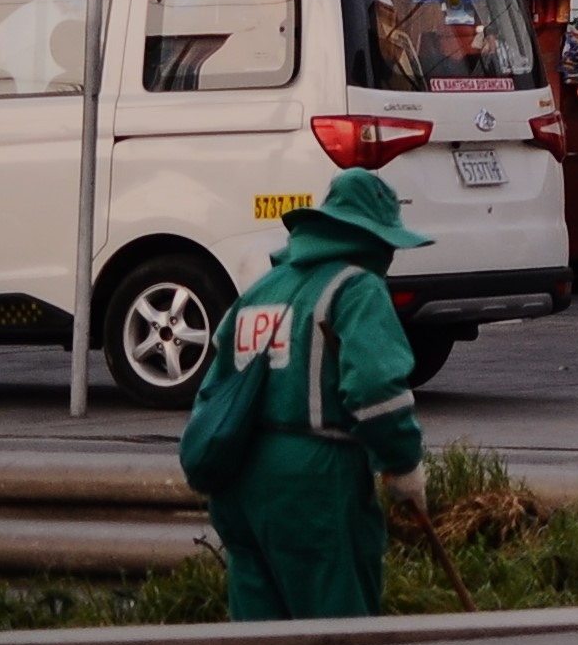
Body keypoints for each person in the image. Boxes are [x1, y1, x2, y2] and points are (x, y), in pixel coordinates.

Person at [177, 168, 432, 620]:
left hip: (239, 484)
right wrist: (402, 465)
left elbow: (212, 391)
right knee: (337, 636)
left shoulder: (259, 292)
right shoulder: (356, 288)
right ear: (372, 239)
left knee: (260, 643)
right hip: (315, 483)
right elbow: (376, 391)